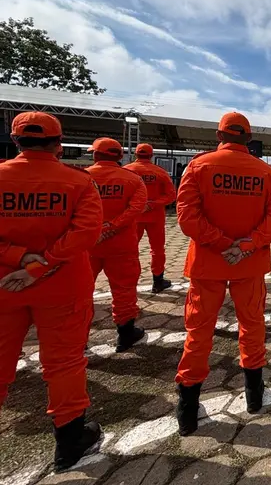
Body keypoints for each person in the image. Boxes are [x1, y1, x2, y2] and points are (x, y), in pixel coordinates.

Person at [0, 112, 104, 472]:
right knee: (64, 363)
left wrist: (16, 258)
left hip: (5, 284)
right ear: (59, 144)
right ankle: (69, 444)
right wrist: (39, 266)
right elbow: (87, 232)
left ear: (15, 141)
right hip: (63, 284)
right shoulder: (77, 181)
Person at [174, 112, 271, 436]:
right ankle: (253, 395)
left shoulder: (198, 166)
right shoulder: (265, 173)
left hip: (209, 263)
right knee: (252, 325)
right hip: (248, 264)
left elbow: (186, 217)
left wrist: (222, 244)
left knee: (199, 332)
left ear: (218, 135)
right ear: (248, 139)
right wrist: (246, 245)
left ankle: (188, 410)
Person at [86, 138, 149, 352]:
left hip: (86, 244)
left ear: (95, 155)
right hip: (121, 244)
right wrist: (112, 227)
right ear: (120, 156)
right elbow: (136, 208)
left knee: (81, 292)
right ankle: (125, 333)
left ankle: (77, 338)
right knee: (124, 290)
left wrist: (96, 230)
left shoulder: (81, 178)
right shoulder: (133, 180)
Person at [124, 143, 177, 293]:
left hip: (133, 217)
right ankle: (158, 282)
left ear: (135, 154)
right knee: (157, 250)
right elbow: (171, 195)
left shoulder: (127, 171)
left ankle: (129, 282)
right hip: (155, 217)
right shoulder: (160, 172)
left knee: (130, 250)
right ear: (151, 155)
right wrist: (152, 204)